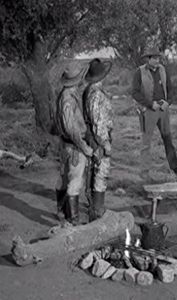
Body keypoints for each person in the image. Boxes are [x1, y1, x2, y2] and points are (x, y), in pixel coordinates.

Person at [132, 46, 177, 175]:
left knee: (168, 139)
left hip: (163, 109)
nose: (157, 60)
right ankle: (144, 171)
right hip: (149, 111)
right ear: (148, 59)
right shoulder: (139, 72)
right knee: (146, 142)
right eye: (154, 58)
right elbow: (135, 93)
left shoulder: (163, 70)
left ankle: (175, 168)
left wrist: (168, 102)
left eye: (158, 57)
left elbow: (170, 89)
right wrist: (149, 104)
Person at [55, 62, 93, 225]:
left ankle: (63, 213)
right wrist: (84, 147)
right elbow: (72, 130)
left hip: (66, 144)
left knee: (64, 178)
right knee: (75, 181)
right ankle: (73, 220)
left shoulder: (66, 94)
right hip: (74, 145)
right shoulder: (68, 100)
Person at [82, 58, 113, 222]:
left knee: (95, 172)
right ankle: (98, 211)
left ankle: (95, 208)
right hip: (97, 138)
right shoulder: (96, 95)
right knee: (101, 173)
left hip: (91, 136)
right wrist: (105, 143)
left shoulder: (89, 91)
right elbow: (98, 122)